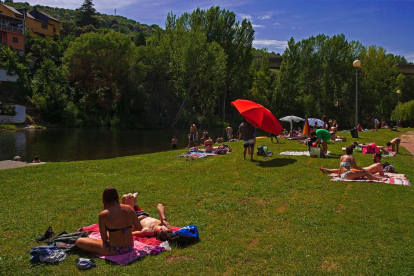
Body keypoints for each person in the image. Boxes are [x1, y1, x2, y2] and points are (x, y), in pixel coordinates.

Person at [75, 187, 142, 256]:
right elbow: (139, 228)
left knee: (79, 241)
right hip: (130, 247)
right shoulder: (129, 208)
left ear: (104, 199)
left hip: (115, 250)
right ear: (117, 197)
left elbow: (104, 239)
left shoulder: (103, 215)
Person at [320, 153, 386, 177]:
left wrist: (374, 175)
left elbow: (381, 174)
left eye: (373, 157)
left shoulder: (379, 164)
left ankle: (327, 170)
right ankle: (327, 170)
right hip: (361, 170)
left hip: (361, 171)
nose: (372, 158)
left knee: (342, 170)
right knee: (343, 170)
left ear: (377, 158)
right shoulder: (377, 164)